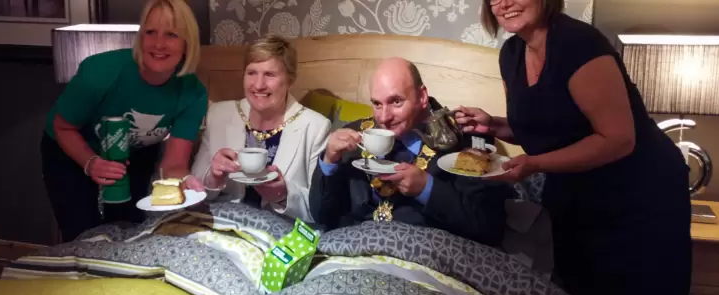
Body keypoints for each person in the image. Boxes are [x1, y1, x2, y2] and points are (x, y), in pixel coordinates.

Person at [454, 0, 692, 295]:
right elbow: (548, 129)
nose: (504, 3)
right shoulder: (510, 54)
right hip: (575, 198)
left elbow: (618, 139)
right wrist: (496, 125)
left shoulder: (579, 44)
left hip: (639, 197)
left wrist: (534, 164)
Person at [41, 0, 207, 242]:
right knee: (83, 235)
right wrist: (90, 162)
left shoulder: (193, 93)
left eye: (171, 34)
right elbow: (63, 126)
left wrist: (184, 180)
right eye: (150, 32)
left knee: (129, 230)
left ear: (186, 43)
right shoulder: (99, 72)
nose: (159, 44)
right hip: (70, 148)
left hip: (135, 152)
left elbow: (174, 164)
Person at [309, 57, 512, 247]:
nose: (384, 117)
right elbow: (322, 216)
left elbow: (489, 228)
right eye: (377, 104)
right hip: (351, 252)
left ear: (422, 96)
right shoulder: (357, 136)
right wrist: (329, 161)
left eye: (396, 101)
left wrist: (427, 189)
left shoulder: (468, 140)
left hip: (424, 261)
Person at [191, 35, 331, 222]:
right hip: (222, 223)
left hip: (278, 231)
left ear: (290, 79)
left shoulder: (315, 127)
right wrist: (214, 178)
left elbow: (320, 209)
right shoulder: (219, 114)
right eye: (251, 73)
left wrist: (282, 195)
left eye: (270, 74)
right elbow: (193, 192)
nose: (258, 85)